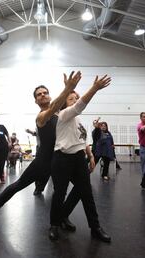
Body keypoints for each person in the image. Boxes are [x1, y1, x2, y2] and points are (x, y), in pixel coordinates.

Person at [0, 71, 82, 224]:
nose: (43, 95)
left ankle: (63, 216)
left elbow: (72, 106)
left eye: (45, 93)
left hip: (60, 160)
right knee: (17, 186)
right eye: (39, 94)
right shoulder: (41, 116)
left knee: (77, 187)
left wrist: (73, 91)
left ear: (49, 95)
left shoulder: (60, 113)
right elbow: (56, 104)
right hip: (42, 162)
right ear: (36, 101)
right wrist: (67, 88)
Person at [49, 75, 112, 243]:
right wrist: (94, 88)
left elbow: (83, 139)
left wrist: (90, 156)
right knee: (59, 193)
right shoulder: (62, 114)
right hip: (61, 159)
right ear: (64, 102)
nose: (75, 100)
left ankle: (95, 227)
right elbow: (79, 106)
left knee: (86, 193)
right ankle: (54, 224)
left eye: (76, 97)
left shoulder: (77, 119)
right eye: (71, 98)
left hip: (78, 159)